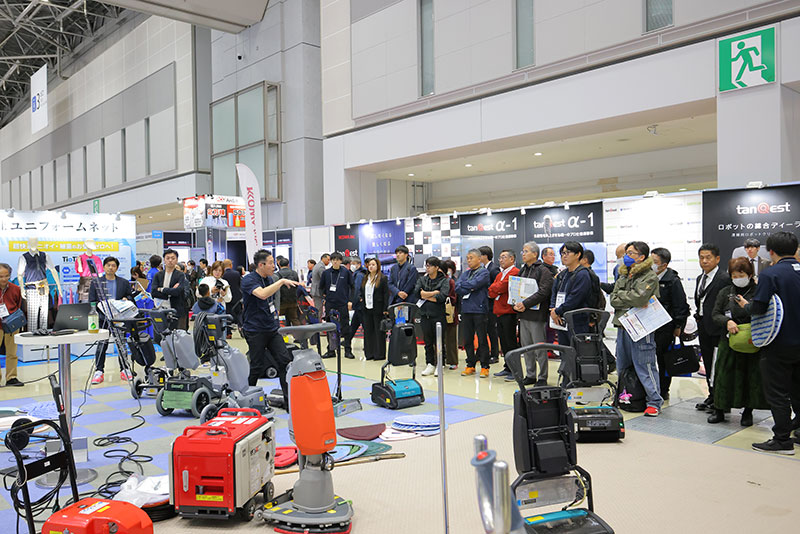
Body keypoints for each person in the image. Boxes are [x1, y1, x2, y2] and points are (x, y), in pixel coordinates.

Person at [737, 232, 800, 454]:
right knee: (797, 389)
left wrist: (746, 305)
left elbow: (759, 308)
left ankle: (782, 440)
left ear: (770, 251)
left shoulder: (771, 274)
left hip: (778, 343)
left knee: (777, 392)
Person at [708, 257, 768, 425]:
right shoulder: (725, 292)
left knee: (751, 376)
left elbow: (764, 312)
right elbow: (715, 314)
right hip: (728, 340)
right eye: (734, 275)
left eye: (740, 274)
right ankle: (719, 409)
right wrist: (727, 322)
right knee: (723, 375)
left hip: (752, 340)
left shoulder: (759, 291)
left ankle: (747, 412)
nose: (737, 278)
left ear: (749, 274)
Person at [610, 241, 663, 417]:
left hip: (642, 327)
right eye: (627, 252)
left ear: (641, 257)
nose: (627, 255)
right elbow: (613, 299)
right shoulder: (623, 274)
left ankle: (654, 401)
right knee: (622, 365)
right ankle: (624, 396)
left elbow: (640, 299)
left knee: (645, 365)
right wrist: (627, 298)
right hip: (623, 325)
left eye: (631, 253)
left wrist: (623, 298)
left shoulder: (649, 276)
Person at [240, 250, 298, 407]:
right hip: (254, 330)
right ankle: (246, 400)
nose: (274, 266)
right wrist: (280, 282)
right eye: (271, 263)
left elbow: (271, 301)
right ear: (261, 265)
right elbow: (262, 295)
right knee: (257, 365)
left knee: (284, 362)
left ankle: (289, 402)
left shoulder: (270, 278)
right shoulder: (248, 280)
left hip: (272, 329)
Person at [503, 243, 554, 384]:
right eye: (523, 251)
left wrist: (525, 304)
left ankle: (543, 377)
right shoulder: (523, 270)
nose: (523, 254)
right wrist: (515, 304)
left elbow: (543, 292)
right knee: (526, 348)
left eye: (526, 251)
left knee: (539, 348)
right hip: (523, 314)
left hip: (537, 316)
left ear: (534, 254)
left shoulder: (543, 271)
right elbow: (516, 289)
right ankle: (531, 374)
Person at [694, 243, 730, 413]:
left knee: (718, 365)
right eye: (701, 257)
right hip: (703, 327)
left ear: (717, 259)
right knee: (708, 363)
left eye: (708, 257)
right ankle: (711, 394)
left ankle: (720, 399)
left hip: (718, 328)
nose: (704, 261)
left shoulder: (723, 278)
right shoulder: (700, 278)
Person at [650, 247, 690, 399]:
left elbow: (681, 305)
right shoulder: (649, 278)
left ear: (664, 265)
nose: (651, 265)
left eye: (654, 262)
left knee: (663, 358)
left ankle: (663, 389)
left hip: (666, 326)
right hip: (650, 325)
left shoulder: (672, 281)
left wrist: (679, 325)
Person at [90, 256, 134, 385]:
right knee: (101, 345)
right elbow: (92, 300)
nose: (111, 267)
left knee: (121, 344)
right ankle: (99, 371)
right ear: (104, 267)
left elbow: (130, 296)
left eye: (113, 265)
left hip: (118, 318)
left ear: (117, 268)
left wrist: (127, 299)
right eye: (108, 265)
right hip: (103, 319)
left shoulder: (123, 282)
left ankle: (125, 369)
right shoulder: (96, 282)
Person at [549, 242, 594, 346]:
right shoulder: (562, 274)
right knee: (564, 353)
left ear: (578, 255)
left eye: (568, 253)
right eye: (562, 253)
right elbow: (554, 292)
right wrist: (552, 309)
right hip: (561, 319)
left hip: (577, 321)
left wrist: (557, 311)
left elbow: (575, 299)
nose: (564, 256)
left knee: (577, 354)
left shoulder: (583, 274)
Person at [455, 249, 491, 377]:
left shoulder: (484, 272)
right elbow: (457, 287)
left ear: (479, 259)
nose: (468, 260)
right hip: (466, 310)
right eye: (467, 258)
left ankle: (485, 366)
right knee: (467, 339)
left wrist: (469, 285)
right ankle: (470, 364)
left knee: (481, 339)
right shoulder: (465, 273)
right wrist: (469, 286)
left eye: (471, 258)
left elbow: (476, 283)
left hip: (479, 310)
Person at [487, 250, 521, 381]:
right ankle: (508, 367)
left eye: (504, 257)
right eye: (500, 257)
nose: (500, 260)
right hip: (499, 311)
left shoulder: (514, 272)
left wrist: (496, 288)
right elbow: (492, 291)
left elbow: (501, 287)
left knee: (511, 342)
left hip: (509, 312)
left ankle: (515, 370)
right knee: (504, 342)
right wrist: (496, 287)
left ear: (512, 259)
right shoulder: (500, 274)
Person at [413, 257, 449, 376]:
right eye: (426, 265)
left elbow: (442, 297)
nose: (427, 268)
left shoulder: (443, 280)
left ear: (436, 267)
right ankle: (430, 363)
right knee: (427, 342)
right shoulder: (422, 279)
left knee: (439, 341)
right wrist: (434, 293)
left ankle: (440, 364)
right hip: (425, 315)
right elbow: (417, 293)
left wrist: (426, 295)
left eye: (430, 266)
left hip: (438, 316)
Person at [320, 252, 355, 359]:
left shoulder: (346, 272)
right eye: (333, 259)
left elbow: (352, 287)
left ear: (340, 261)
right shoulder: (326, 273)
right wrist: (324, 298)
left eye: (337, 259)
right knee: (330, 327)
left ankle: (348, 350)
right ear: (331, 261)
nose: (335, 261)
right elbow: (321, 287)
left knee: (345, 327)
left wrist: (350, 301)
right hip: (330, 303)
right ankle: (331, 350)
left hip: (343, 303)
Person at [152, 249, 190, 329]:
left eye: (173, 258)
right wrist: (170, 293)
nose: (170, 260)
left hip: (176, 309)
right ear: (164, 260)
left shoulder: (180, 275)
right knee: (161, 335)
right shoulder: (158, 275)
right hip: (160, 308)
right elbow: (154, 292)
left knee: (176, 336)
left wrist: (161, 289)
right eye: (168, 258)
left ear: (176, 260)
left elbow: (177, 292)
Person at [360, 257, 390, 361]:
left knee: (379, 332)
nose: (371, 266)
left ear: (377, 266)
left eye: (373, 264)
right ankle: (369, 353)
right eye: (369, 264)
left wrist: (385, 308)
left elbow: (386, 294)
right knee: (368, 331)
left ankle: (379, 354)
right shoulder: (365, 278)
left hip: (378, 308)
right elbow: (361, 291)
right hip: (366, 308)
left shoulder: (382, 278)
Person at [0, 263, 23, 387]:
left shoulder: (15, 289)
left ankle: (11, 377)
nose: (4, 279)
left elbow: (18, 305)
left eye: (6, 276)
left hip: (12, 324)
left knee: (12, 352)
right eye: (1, 276)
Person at [479, 246, 501, 364]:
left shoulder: (493, 269)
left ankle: (495, 354)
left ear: (485, 256)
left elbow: (498, 287)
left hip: (492, 304)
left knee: (492, 330)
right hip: (484, 304)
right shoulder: (484, 268)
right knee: (485, 330)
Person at [442, 259, 460, 370]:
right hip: (438, 311)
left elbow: (454, 299)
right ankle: (441, 359)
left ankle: (452, 361)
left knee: (451, 337)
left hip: (451, 311)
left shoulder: (453, 281)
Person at [347, 257, 367, 352]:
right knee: (355, 323)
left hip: (359, 304)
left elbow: (356, 289)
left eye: (352, 263)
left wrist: (352, 302)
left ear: (357, 264)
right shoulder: (359, 273)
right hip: (360, 303)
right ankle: (348, 340)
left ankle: (367, 344)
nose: (351, 265)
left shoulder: (359, 275)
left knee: (364, 324)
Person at [275, 257, 301, 326]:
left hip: (281, 302)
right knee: (294, 318)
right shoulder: (294, 273)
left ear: (279, 265)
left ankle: (284, 335)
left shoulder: (277, 275)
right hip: (293, 300)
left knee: (280, 319)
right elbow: (297, 285)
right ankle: (299, 334)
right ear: (288, 264)